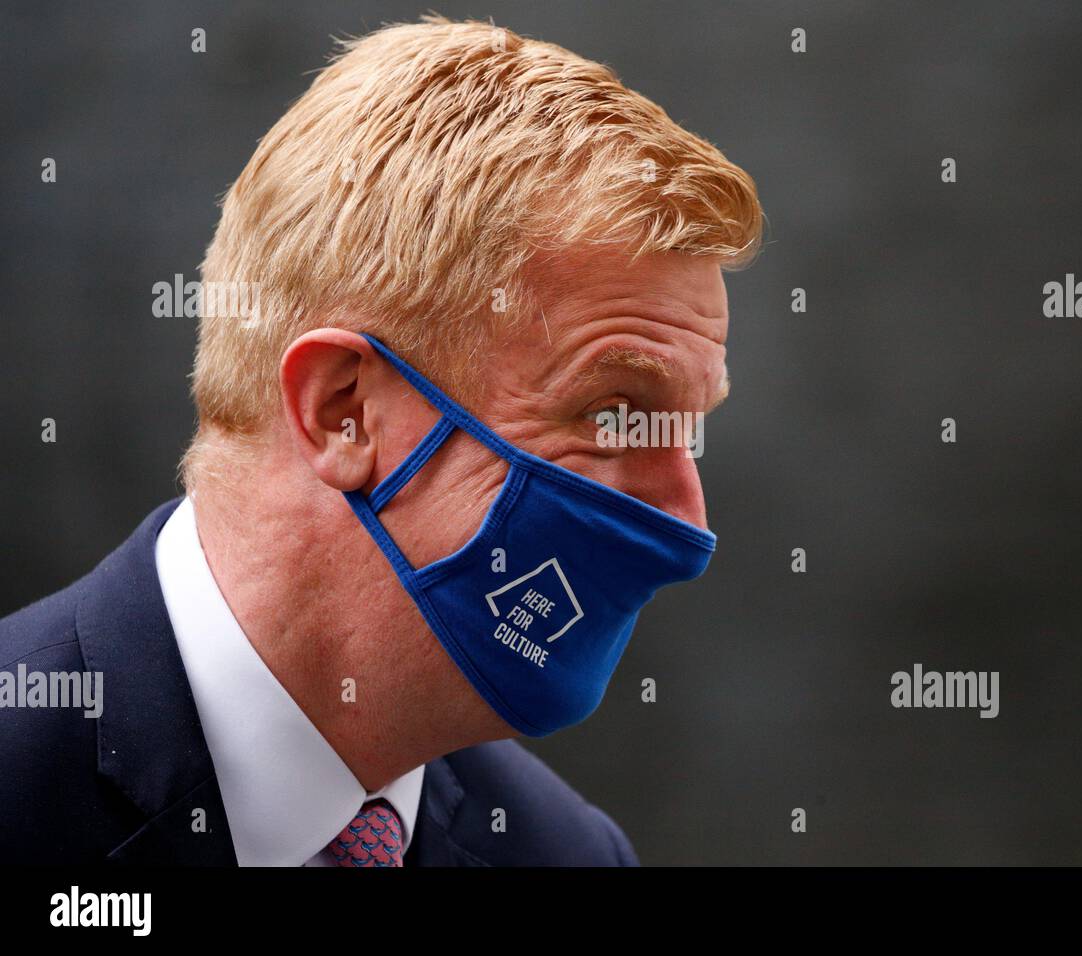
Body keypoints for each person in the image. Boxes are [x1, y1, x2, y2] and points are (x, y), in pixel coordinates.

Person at [0, 15, 762, 865]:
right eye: (613, 411)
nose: (687, 524)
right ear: (342, 409)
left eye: (688, 432)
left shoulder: (566, 853)